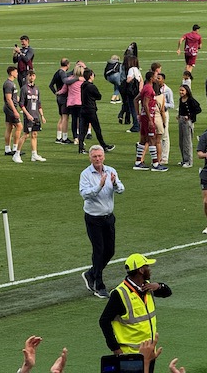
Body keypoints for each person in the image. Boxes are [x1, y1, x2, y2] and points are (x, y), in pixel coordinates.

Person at [99, 254, 172, 365]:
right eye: (147, 266)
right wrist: (115, 349)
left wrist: (158, 286)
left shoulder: (147, 287)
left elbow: (167, 292)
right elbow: (104, 321)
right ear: (141, 270)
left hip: (149, 353)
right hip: (130, 356)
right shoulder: (120, 293)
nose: (150, 269)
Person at [79, 145, 125, 298]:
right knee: (98, 251)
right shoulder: (85, 174)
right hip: (94, 218)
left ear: (103, 156)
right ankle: (99, 285)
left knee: (110, 251)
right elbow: (85, 194)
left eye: (99, 156)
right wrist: (99, 186)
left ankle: (91, 273)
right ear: (90, 158)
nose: (97, 159)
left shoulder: (111, 171)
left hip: (108, 217)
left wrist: (114, 184)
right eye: (94, 157)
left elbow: (121, 189)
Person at [133, 71, 167, 171]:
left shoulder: (145, 88)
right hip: (148, 116)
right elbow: (146, 104)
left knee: (143, 140)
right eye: (155, 77)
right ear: (151, 78)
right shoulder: (149, 89)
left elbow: (136, 100)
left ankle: (138, 162)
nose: (157, 78)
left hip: (144, 116)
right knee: (152, 139)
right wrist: (150, 120)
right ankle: (156, 164)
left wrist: (138, 114)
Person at [13, 70, 47, 163]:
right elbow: (21, 104)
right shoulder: (24, 89)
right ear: (27, 77)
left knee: (34, 135)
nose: (32, 77)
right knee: (26, 135)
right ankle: (17, 154)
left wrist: (42, 116)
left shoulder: (36, 89)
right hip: (28, 116)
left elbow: (38, 104)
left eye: (33, 75)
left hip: (36, 115)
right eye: (30, 75)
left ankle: (34, 154)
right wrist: (27, 114)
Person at [49, 58, 73, 144]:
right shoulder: (62, 74)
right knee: (65, 117)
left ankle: (58, 137)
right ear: (68, 65)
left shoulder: (57, 72)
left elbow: (50, 85)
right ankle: (64, 138)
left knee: (62, 117)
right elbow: (65, 81)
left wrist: (55, 92)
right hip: (64, 97)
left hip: (59, 98)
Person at [177, 84, 201, 168]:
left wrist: (189, 115)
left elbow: (198, 109)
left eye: (183, 90)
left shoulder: (191, 100)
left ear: (187, 91)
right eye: (180, 90)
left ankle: (189, 161)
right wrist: (179, 115)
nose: (181, 92)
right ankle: (184, 159)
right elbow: (181, 109)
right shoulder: (181, 99)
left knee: (187, 142)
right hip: (181, 120)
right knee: (181, 141)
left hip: (188, 122)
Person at [3, 66, 23, 156]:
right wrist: (15, 111)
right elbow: (8, 99)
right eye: (16, 72)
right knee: (19, 127)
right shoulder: (8, 84)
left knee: (9, 128)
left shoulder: (11, 83)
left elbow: (13, 97)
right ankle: (15, 148)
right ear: (11, 73)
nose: (17, 73)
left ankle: (7, 149)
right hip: (10, 108)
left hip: (9, 108)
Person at [158, 73, 174, 164]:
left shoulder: (167, 90)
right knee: (157, 136)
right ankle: (158, 156)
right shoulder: (154, 89)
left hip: (164, 114)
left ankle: (165, 157)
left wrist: (162, 105)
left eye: (159, 78)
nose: (157, 79)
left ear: (163, 80)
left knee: (164, 136)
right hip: (156, 114)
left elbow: (172, 104)